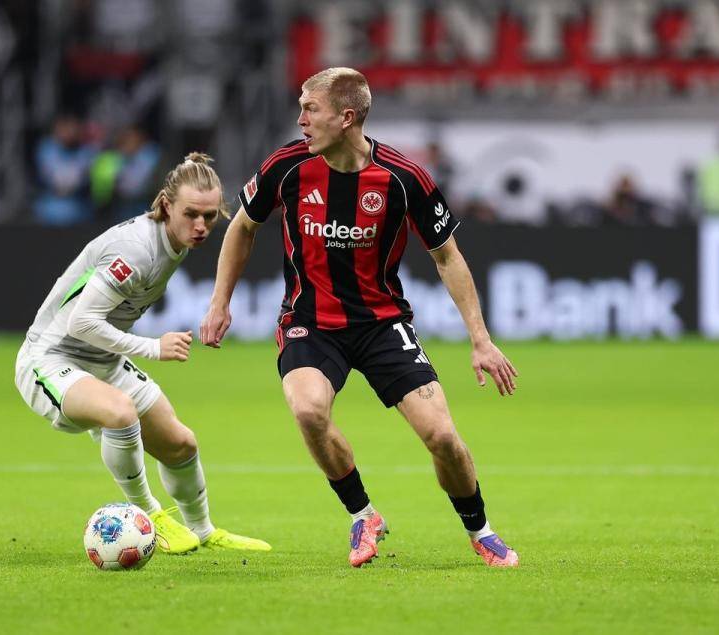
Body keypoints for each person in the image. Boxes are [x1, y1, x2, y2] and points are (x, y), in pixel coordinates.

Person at [200, 68, 519, 568]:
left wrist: (480, 339)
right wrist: (220, 301)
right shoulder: (287, 165)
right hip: (309, 322)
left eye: (311, 109)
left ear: (346, 117)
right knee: (309, 411)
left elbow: (447, 257)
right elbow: (242, 227)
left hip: (382, 324)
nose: (301, 120)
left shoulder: (403, 177)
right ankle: (363, 515)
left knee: (442, 437)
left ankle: (481, 531)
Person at [16, 153, 270, 555]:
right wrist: (153, 346)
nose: (201, 226)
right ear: (166, 205)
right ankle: (150, 516)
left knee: (180, 444)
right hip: (51, 359)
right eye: (191, 214)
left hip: (103, 359)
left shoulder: (175, 241)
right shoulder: (135, 250)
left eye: (209, 216)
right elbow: (81, 322)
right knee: (120, 413)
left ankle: (204, 532)